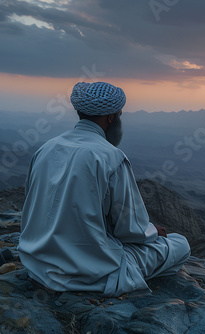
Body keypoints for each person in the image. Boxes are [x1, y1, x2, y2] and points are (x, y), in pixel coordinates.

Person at [18, 81, 190, 296]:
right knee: (180, 244)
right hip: (90, 272)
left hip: (38, 265)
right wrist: (153, 232)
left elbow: (33, 206)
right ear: (111, 117)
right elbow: (130, 231)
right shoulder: (111, 157)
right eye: (119, 115)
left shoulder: (46, 148)